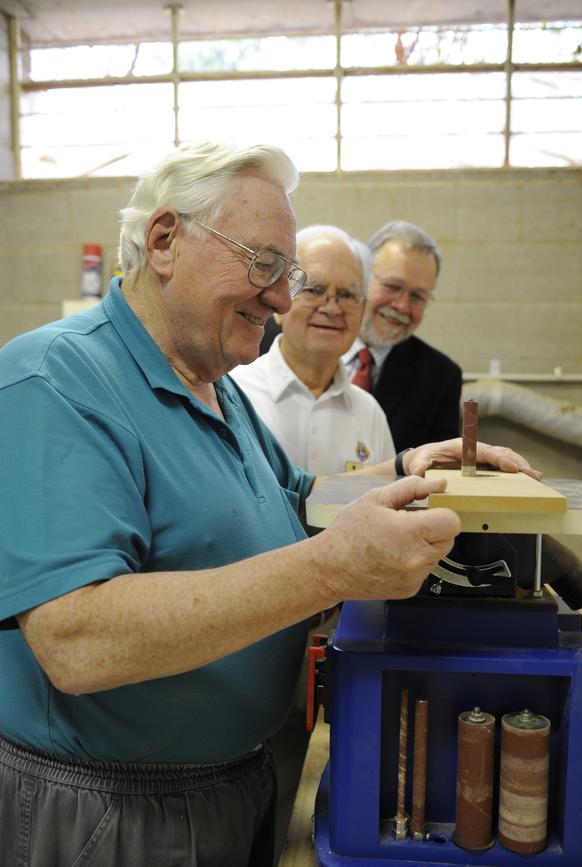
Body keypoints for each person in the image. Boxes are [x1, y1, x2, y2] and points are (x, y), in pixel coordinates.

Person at [0, 141, 538, 867]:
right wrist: (332, 570)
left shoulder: (212, 383)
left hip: (230, 783)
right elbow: (76, 640)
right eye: (264, 266)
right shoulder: (54, 380)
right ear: (164, 241)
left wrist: (411, 465)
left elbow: (298, 495)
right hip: (114, 810)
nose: (285, 299)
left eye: (285, 274)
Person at [231, 224, 394, 474]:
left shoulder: (369, 412)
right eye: (314, 290)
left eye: (347, 295)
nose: (331, 308)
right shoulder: (235, 394)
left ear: (362, 310)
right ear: (280, 300)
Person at [343, 220, 463, 451]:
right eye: (392, 286)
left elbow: (437, 470)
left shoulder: (440, 377)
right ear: (363, 276)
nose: (402, 306)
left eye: (417, 296)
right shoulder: (300, 340)